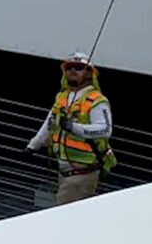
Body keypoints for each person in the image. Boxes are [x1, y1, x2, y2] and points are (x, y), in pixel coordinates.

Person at [25, 51, 114, 205]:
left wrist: (74, 127)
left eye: (79, 67)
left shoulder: (97, 100)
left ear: (89, 73)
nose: (73, 71)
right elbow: (50, 121)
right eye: (69, 67)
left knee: (62, 210)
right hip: (63, 170)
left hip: (83, 172)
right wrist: (34, 144)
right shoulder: (62, 97)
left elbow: (105, 130)